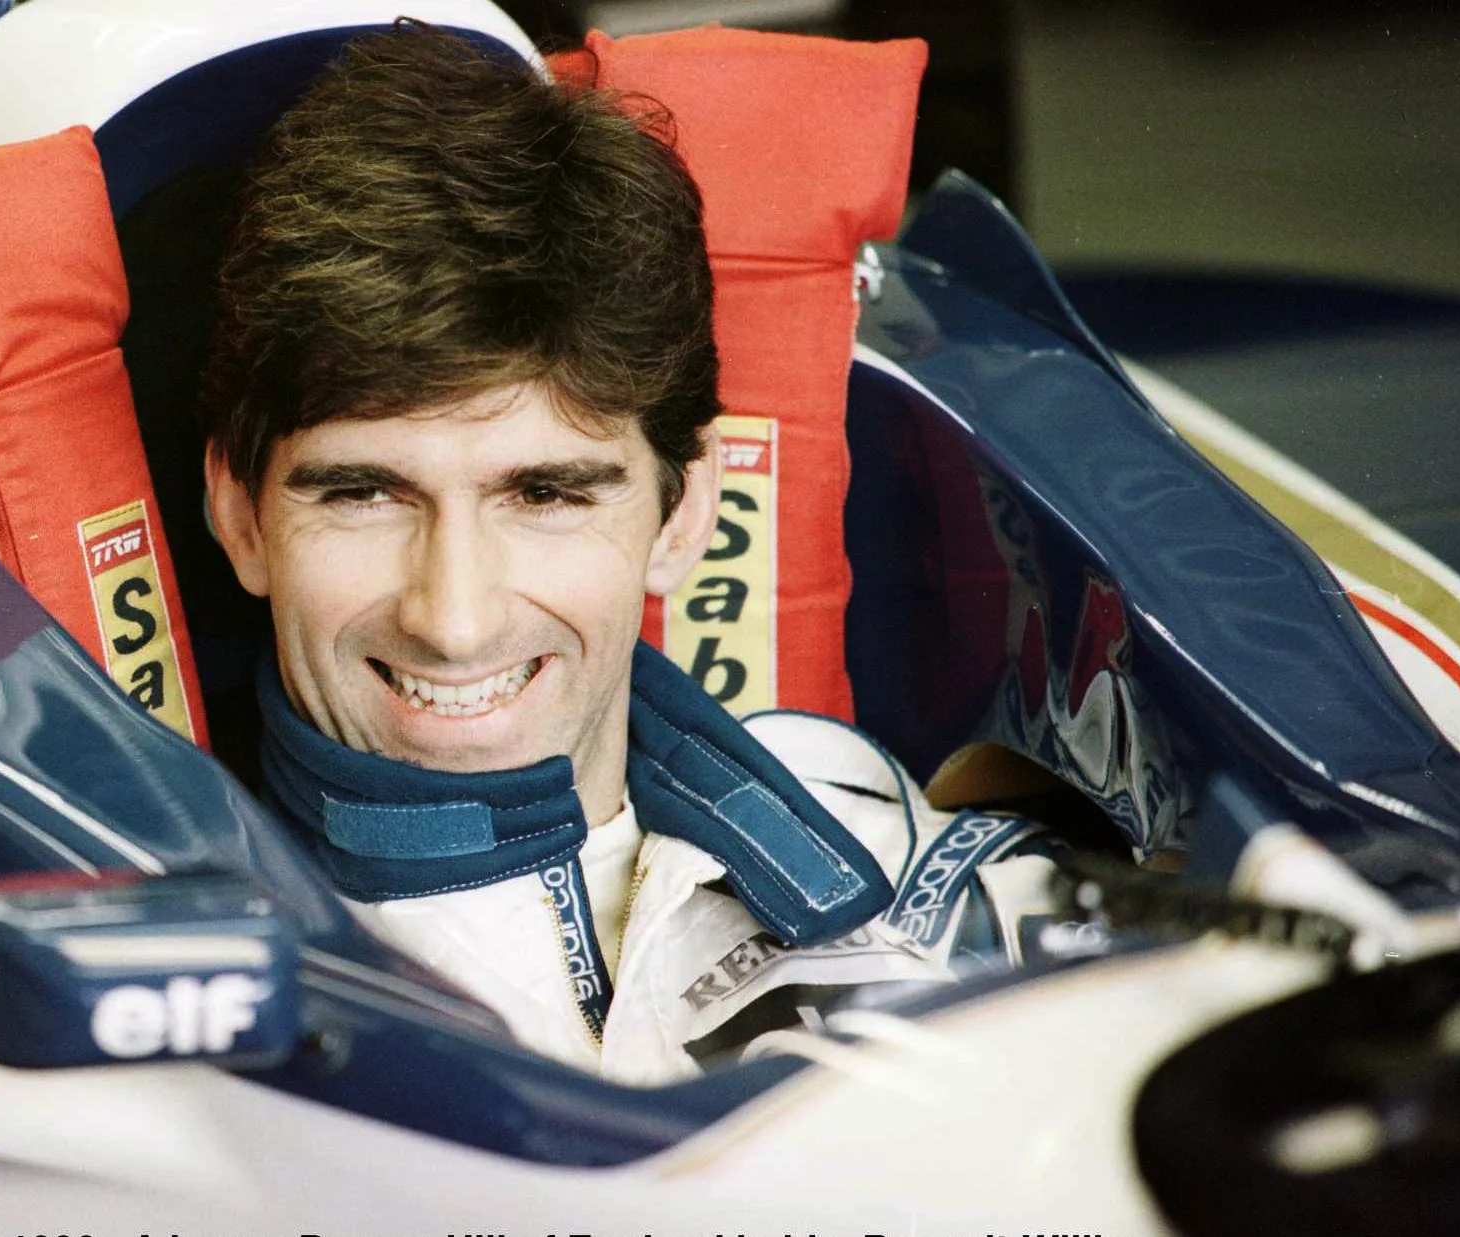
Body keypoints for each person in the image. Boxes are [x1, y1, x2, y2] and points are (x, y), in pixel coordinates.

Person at [199, 23, 1057, 1084]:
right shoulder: (190, 998)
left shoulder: (857, 817)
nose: (453, 617)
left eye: (545, 494)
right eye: (367, 494)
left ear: (684, 511)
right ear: (239, 516)